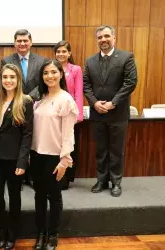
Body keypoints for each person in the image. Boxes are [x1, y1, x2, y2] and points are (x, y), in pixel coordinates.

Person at [83, 25, 137, 197]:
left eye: (106, 36)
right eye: (100, 37)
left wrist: (113, 103)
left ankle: (116, 182)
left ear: (114, 38)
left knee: (116, 150)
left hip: (117, 113)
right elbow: (86, 85)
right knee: (100, 149)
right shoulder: (90, 61)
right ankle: (101, 180)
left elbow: (130, 82)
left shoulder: (126, 57)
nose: (103, 40)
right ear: (97, 40)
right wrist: (94, 103)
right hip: (97, 113)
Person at [30, 60, 78, 250]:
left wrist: (65, 160)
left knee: (54, 197)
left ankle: (53, 235)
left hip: (55, 157)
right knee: (39, 196)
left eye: (53, 72)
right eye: (46, 73)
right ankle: (41, 233)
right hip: (37, 155)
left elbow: (68, 134)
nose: (49, 76)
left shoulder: (66, 100)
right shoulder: (40, 98)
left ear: (61, 74)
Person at [0, 64, 33, 250]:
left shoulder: (26, 101)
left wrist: (23, 161)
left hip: (14, 160)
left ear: (18, 79)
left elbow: (28, 135)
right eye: (5, 77)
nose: (8, 80)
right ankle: (0, 234)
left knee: (14, 199)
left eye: (12, 77)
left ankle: (12, 235)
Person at [2, 29, 45, 188]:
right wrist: (18, 99)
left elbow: (42, 84)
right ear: (15, 43)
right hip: (12, 107)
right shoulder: (6, 60)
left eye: (25, 40)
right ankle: (18, 175)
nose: (22, 43)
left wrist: (27, 99)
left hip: (35, 105)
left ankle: (31, 175)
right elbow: (6, 82)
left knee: (32, 139)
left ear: (31, 42)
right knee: (17, 139)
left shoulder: (41, 61)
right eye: (19, 41)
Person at [54, 40, 83, 189]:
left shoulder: (76, 69)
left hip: (70, 115)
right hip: (55, 114)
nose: (61, 54)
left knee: (69, 145)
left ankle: (67, 177)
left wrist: (77, 116)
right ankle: (56, 175)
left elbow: (78, 92)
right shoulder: (52, 68)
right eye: (58, 51)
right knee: (57, 146)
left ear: (69, 53)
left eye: (64, 51)